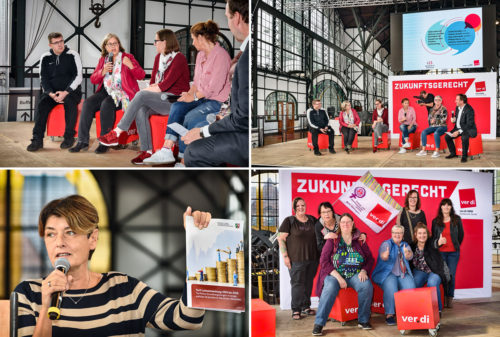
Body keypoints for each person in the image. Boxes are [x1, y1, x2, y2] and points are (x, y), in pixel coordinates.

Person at [13, 195, 210, 336]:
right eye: (50, 234)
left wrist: (197, 245)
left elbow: (187, 319)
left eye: (70, 232)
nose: (59, 242)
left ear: (93, 238)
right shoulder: (28, 294)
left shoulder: (123, 289)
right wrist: (47, 305)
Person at [144, 20, 231, 167]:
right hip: (201, 97)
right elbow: (196, 82)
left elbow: (213, 89)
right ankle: (166, 149)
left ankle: (184, 160)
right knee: (178, 106)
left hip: (216, 101)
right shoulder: (200, 55)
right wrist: (187, 95)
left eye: (193, 38)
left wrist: (194, 97)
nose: (192, 42)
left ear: (201, 37)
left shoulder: (222, 56)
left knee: (190, 118)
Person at [97, 29, 190, 164]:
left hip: (175, 100)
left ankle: (117, 132)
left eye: (156, 41)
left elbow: (162, 86)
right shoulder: (159, 58)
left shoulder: (179, 58)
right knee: (141, 109)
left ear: (164, 42)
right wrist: (149, 89)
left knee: (141, 95)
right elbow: (153, 82)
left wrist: (146, 91)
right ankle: (147, 151)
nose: (154, 44)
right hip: (161, 97)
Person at [181, 2, 249, 167]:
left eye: (227, 17)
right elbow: (197, 81)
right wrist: (191, 94)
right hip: (230, 114)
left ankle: (184, 157)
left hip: (242, 133)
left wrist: (205, 131)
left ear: (237, 17)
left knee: (194, 149)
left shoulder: (238, 57)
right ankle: (174, 150)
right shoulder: (242, 55)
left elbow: (215, 89)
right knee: (181, 110)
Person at [69, 34, 145, 154]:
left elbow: (141, 75)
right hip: (106, 90)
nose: (113, 46)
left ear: (119, 45)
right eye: (110, 44)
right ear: (105, 47)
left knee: (106, 104)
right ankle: (82, 141)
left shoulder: (128, 57)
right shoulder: (103, 60)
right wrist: (102, 71)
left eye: (115, 43)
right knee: (88, 103)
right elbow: (94, 79)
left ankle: (105, 142)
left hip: (122, 92)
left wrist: (130, 65)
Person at [312, 213, 374, 335]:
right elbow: (324, 261)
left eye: (348, 222)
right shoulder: (333, 240)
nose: (345, 224)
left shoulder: (360, 241)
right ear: (339, 224)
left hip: (355, 274)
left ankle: (363, 320)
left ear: (353, 224)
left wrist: (364, 270)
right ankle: (319, 323)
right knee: (329, 288)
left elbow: (370, 259)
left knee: (366, 286)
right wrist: (339, 277)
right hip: (334, 274)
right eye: (343, 222)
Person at [27, 32, 82, 152]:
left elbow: (78, 77)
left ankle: (68, 137)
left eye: (61, 41)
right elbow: (43, 78)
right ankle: (37, 140)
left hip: (71, 92)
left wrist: (65, 92)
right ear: (50, 45)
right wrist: (50, 93)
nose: (60, 44)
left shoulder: (73, 55)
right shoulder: (45, 57)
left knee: (70, 103)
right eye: (56, 42)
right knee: (42, 104)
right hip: (52, 93)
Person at [277, 197, 318, 321]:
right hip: (296, 259)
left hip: (312, 259)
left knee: (308, 283)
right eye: (298, 205)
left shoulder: (312, 220)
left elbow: (324, 229)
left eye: (303, 205)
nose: (301, 207)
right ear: (294, 208)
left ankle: (306, 306)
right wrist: (285, 257)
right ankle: (296, 309)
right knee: (297, 284)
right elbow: (281, 239)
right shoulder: (289, 221)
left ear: (306, 206)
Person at [371, 224, 415, 326]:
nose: (397, 235)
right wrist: (385, 256)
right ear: (391, 234)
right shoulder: (386, 244)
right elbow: (383, 255)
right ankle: (389, 315)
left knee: (411, 287)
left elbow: (410, 255)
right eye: (395, 233)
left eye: (399, 233)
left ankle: (407, 313)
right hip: (388, 273)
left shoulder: (405, 245)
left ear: (403, 234)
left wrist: (408, 254)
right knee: (391, 287)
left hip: (402, 273)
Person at [410, 222, 451, 315]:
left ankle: (437, 310)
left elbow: (435, 243)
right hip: (420, 271)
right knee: (413, 284)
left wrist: (439, 242)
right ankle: (417, 308)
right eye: (420, 233)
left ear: (427, 234)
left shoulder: (430, 242)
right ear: (415, 234)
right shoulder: (412, 246)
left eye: (424, 233)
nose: (422, 235)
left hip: (434, 270)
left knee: (432, 283)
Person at [431, 198, 464, 308]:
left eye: (448, 205)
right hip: (440, 253)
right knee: (443, 276)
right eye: (444, 205)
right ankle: (443, 297)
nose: (446, 207)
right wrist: (439, 243)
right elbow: (433, 238)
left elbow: (461, 236)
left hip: (453, 253)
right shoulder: (435, 221)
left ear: (451, 207)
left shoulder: (457, 219)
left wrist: (454, 245)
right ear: (441, 207)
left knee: (451, 275)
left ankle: (449, 298)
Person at [445, 94, 478, 163]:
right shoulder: (457, 107)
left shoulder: (469, 109)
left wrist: (458, 132)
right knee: (447, 136)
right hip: (458, 128)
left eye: (457, 100)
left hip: (469, 129)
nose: (455, 101)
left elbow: (469, 124)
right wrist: (454, 120)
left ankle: (464, 156)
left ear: (462, 101)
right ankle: (453, 153)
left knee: (464, 137)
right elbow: (458, 118)